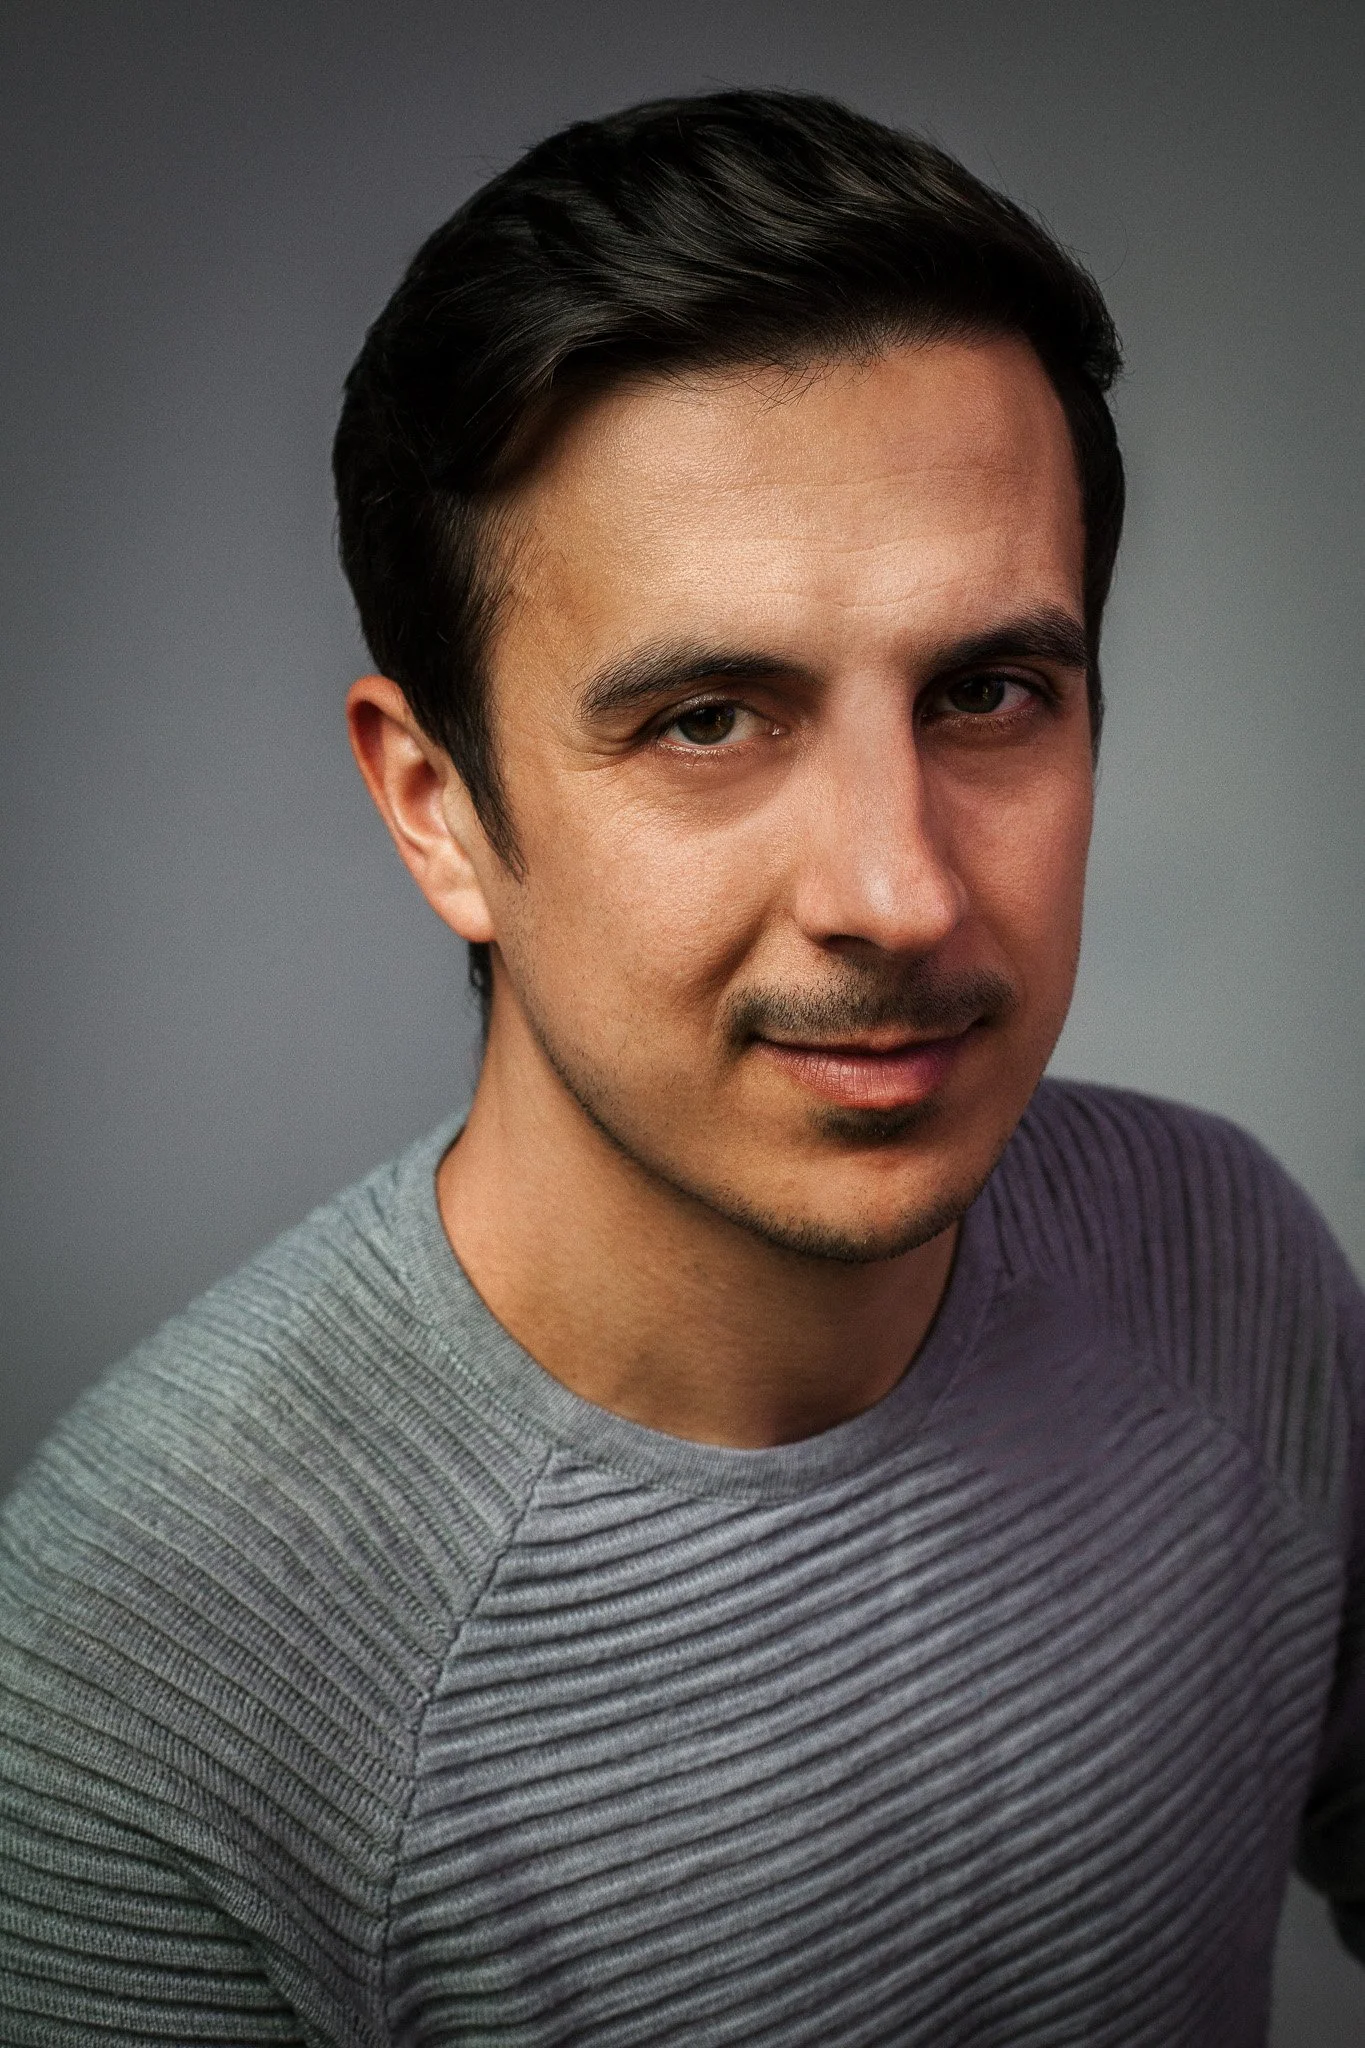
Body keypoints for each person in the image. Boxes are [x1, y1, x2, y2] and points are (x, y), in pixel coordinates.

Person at [1, 87, 1362, 2048]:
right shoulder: (146, 1644)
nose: (898, 889)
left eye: (988, 693)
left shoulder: (1227, 1262)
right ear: (434, 806)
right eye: (710, 718)